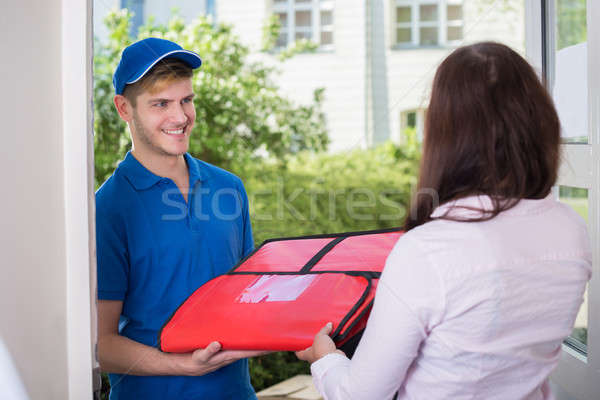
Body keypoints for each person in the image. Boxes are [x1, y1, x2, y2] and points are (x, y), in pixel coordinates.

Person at [296, 42, 592, 399]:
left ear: (443, 134)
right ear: (539, 122)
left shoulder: (427, 251)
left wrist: (325, 358)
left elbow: (360, 395)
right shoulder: (570, 229)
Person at [96, 37, 262, 399]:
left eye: (186, 100)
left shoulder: (228, 189)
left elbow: (247, 296)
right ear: (124, 109)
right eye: (161, 104)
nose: (180, 117)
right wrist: (183, 365)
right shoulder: (107, 208)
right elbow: (101, 344)